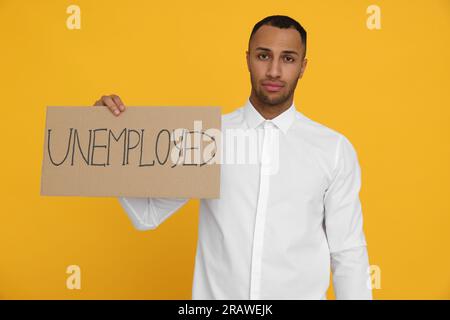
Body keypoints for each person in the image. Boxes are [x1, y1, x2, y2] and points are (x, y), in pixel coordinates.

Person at [94, 15, 372, 300]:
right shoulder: (207, 138)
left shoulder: (333, 150)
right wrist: (108, 141)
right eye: (264, 56)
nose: (274, 71)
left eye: (288, 59)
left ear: (303, 67)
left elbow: (347, 253)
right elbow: (147, 215)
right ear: (248, 58)